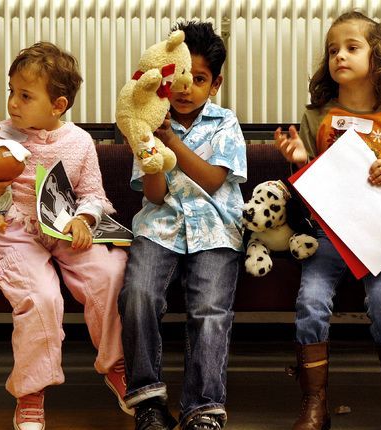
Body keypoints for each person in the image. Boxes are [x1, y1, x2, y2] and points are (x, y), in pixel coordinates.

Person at [0, 42, 131, 430]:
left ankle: (114, 365)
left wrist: (85, 219)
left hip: (62, 226)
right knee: (41, 296)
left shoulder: (78, 142)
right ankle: (31, 393)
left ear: (58, 105)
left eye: (25, 96)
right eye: (11, 91)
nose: (13, 103)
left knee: (108, 274)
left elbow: (92, 193)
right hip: (13, 230)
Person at [274, 11, 381, 430]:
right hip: (327, 237)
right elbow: (310, 184)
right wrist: (301, 161)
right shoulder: (316, 118)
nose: (340, 56)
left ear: (379, 60)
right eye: (333, 50)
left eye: (352, 48)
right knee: (310, 303)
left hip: (379, 238)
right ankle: (314, 402)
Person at [118, 21, 247, 430]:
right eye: (179, 78)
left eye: (200, 79)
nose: (186, 88)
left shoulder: (225, 123)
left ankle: (203, 408)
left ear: (216, 83)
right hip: (160, 226)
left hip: (216, 229)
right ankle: (148, 401)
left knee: (209, 309)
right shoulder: (148, 123)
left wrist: (173, 144)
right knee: (138, 294)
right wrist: (150, 151)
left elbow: (213, 180)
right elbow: (154, 195)